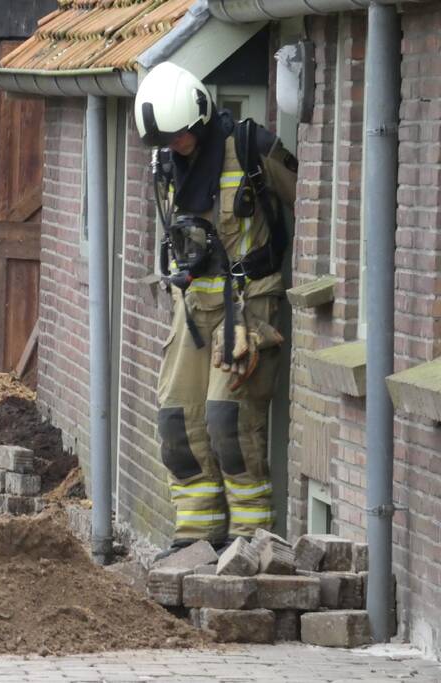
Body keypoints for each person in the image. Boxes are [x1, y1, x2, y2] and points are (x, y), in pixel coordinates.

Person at [134, 62, 297, 556]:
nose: (176, 144)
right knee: (176, 420)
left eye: (180, 134)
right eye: (166, 140)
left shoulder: (250, 148)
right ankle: (195, 536)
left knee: (228, 420)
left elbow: (310, 201)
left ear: (199, 117)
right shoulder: (167, 166)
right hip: (191, 307)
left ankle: (248, 541)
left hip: (245, 305)